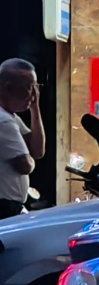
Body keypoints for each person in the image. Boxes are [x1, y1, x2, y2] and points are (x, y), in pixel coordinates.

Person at [0, 58, 45, 220]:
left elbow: (37, 151)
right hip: (5, 207)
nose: (33, 94)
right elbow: (25, 165)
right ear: (8, 88)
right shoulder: (3, 121)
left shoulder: (11, 117)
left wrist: (35, 109)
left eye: (35, 88)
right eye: (29, 88)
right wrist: (29, 160)